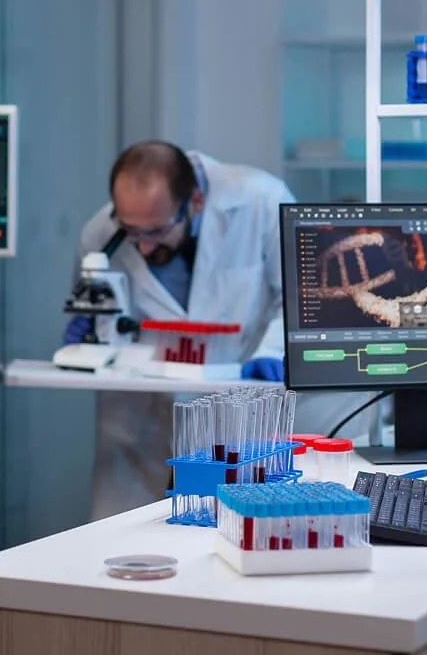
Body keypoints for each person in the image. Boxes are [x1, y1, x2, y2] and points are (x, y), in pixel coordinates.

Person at [66, 141, 294, 519]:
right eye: (130, 231)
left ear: (196, 202)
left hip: (236, 417)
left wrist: (271, 351)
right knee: (121, 549)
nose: (141, 245)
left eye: (155, 231)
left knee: (230, 541)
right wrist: (88, 338)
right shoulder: (99, 234)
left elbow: (299, 297)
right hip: (138, 426)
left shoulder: (260, 201)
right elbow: (96, 313)